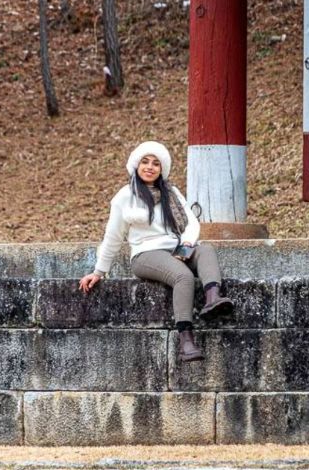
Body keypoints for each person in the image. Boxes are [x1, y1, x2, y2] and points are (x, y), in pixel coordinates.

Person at [79, 141, 234, 362]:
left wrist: (188, 244)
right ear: (136, 165)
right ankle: (186, 341)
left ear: (162, 170)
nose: (150, 167)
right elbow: (112, 237)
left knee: (205, 250)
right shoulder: (125, 197)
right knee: (183, 276)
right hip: (146, 254)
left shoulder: (171, 193)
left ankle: (212, 299)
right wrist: (98, 271)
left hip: (176, 247)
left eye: (155, 164)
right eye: (145, 162)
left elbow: (192, 223)